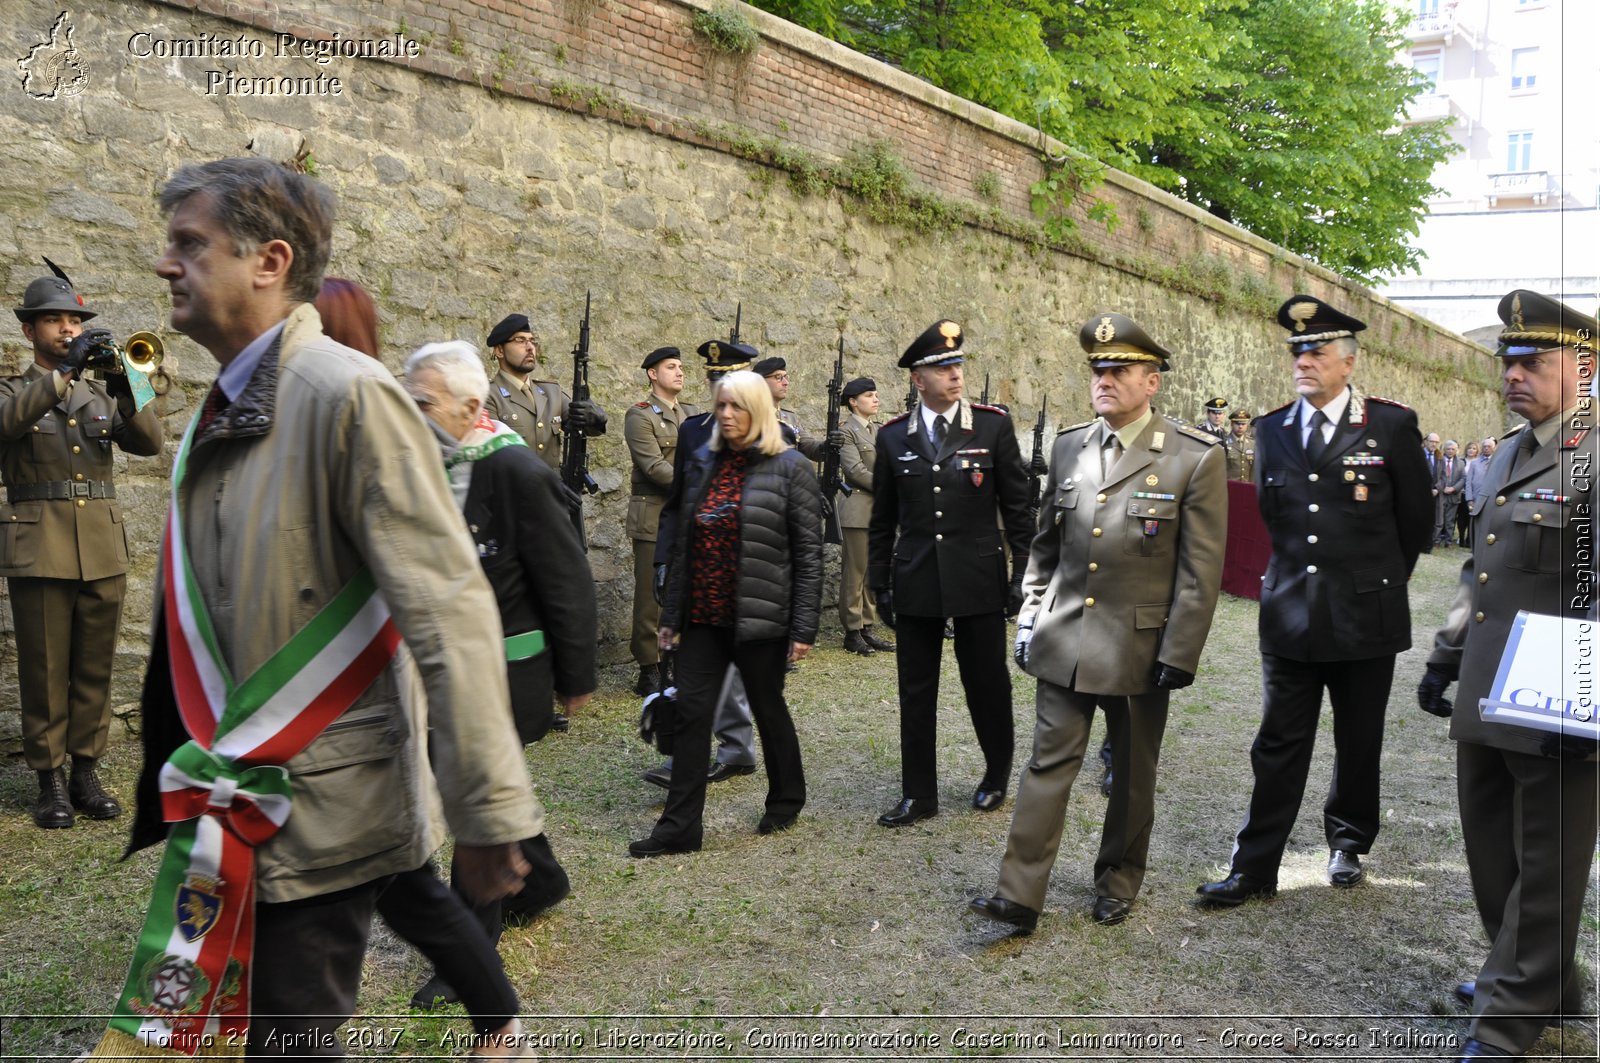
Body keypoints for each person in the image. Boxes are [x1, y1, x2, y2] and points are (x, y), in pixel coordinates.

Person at [98, 158, 539, 1058]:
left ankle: (503, 1025)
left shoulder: (347, 395)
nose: (164, 265)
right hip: (242, 803)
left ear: (269, 260)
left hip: (321, 808)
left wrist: (491, 820)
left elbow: (449, 611)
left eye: (189, 243)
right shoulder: (224, 402)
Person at [969, 312, 1227, 932]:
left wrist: (1179, 651)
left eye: (1119, 370)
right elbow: (1045, 547)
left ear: (1152, 381)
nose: (1104, 380)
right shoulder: (1069, 447)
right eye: (1098, 370)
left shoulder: (1193, 458)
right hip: (1063, 636)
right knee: (1046, 763)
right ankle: (1019, 894)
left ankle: (1118, 879)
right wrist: (1031, 614)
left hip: (1140, 646)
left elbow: (1200, 570)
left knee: (1133, 774)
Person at [1197, 294, 1433, 908]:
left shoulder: (1388, 425)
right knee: (1277, 742)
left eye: (1317, 350)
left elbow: (1415, 523)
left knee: (1359, 739)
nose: (1304, 360)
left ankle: (1348, 841)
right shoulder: (1273, 429)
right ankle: (1255, 869)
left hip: (1365, 615)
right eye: (1297, 351)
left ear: (1348, 363)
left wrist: (1374, 580)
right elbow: (1277, 521)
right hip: (1291, 615)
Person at [1416, 290, 1597, 1062]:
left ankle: (1508, 1017)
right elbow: (1476, 575)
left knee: (1547, 859)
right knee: (1493, 851)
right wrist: (1444, 657)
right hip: (1493, 687)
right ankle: (1540, 979)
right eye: (1509, 361)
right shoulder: (1504, 453)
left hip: (1562, 696)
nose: (1514, 374)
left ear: (1585, 368)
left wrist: (1586, 703)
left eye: (1535, 361)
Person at [400, 340, 595, 1009]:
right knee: (480, 789)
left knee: (471, 796)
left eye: (423, 402)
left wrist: (576, 675)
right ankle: (538, 882)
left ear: (470, 406)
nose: (411, 413)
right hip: (445, 663)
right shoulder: (428, 467)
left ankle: (466, 957)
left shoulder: (513, 469)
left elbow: (567, 578)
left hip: (507, 667)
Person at [1, 262, 163, 829]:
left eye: (74, 320)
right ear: (30, 331)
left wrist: (129, 382)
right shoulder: (15, 389)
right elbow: (7, 423)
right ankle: (48, 783)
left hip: (100, 545)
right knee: (44, 668)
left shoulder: (102, 391)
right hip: (38, 546)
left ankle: (86, 774)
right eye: (54, 321)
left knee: (95, 666)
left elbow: (149, 444)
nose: (68, 329)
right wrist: (64, 373)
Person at [634, 369, 822, 855]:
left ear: (758, 410)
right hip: (703, 618)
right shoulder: (703, 463)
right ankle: (679, 828)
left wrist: (803, 626)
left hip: (762, 618)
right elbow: (685, 548)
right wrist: (671, 616)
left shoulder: (792, 468)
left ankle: (785, 798)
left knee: (767, 707)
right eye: (721, 406)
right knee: (693, 715)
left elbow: (808, 555)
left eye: (736, 406)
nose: (726, 415)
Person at [867, 320, 1032, 827]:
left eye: (958, 364)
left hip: (978, 577)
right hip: (917, 575)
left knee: (986, 683)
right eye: (942, 367)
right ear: (919, 379)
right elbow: (883, 519)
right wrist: (880, 582)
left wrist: (1020, 577)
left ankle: (996, 773)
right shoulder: (895, 436)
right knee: (916, 690)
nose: (955, 374)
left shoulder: (991, 426)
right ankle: (920, 793)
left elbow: (1020, 509)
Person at [644, 338, 762, 788]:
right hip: (695, 564)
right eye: (713, 379)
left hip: (742, 567)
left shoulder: (764, 432)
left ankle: (736, 747)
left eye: (727, 379)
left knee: (733, 667)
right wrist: (663, 559)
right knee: (692, 662)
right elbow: (677, 503)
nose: (718, 387)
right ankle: (693, 757)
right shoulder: (694, 430)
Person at [625, 346, 698, 696]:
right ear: (653, 374)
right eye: (671, 367)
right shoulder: (640, 415)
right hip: (654, 514)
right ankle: (649, 667)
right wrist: (698, 485)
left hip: (686, 514)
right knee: (650, 595)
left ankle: (676, 657)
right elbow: (653, 466)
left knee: (683, 590)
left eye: (682, 367)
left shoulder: (692, 415)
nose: (680, 372)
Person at [482, 311, 606, 466]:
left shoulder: (551, 392)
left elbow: (584, 427)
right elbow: (491, 456)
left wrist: (596, 418)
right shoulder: (488, 395)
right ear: (499, 350)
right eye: (520, 340)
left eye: (532, 341)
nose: (530, 348)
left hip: (552, 488)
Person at [837, 376, 894, 656]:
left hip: (878, 509)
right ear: (853, 401)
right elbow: (855, 470)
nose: (876, 399)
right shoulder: (847, 430)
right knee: (855, 573)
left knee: (873, 570)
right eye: (870, 395)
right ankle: (852, 630)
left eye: (876, 394)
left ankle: (867, 627)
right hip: (858, 508)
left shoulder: (878, 431)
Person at [755, 355, 826, 459]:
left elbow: (808, 446)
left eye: (786, 377)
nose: (786, 383)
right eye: (778, 378)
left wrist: (827, 446)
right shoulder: (753, 416)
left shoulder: (790, 418)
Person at [1436, 439, 1465, 545]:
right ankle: (1437, 540)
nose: (1450, 451)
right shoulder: (1438, 460)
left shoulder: (1461, 463)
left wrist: (1453, 488)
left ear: (1456, 450)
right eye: (1448, 449)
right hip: (1440, 494)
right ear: (1444, 449)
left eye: (1453, 449)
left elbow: (1463, 478)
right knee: (1438, 519)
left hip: (1453, 495)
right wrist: (1441, 487)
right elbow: (1436, 476)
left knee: (1450, 520)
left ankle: (1448, 541)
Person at [1457, 439, 1483, 546]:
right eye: (1469, 448)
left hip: (1473, 494)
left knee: (1470, 517)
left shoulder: (1479, 462)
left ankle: (1469, 538)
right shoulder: (1461, 461)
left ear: (1477, 451)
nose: (1471, 450)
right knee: (1461, 517)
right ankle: (1461, 537)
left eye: (1474, 448)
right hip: (1460, 493)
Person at [1225, 407, 1256, 482]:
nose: (1240, 426)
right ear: (1231, 424)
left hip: (1247, 487)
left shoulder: (1252, 444)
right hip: (1230, 487)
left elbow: (1254, 470)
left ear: (1247, 425)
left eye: (1243, 424)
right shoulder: (1224, 443)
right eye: (1237, 423)